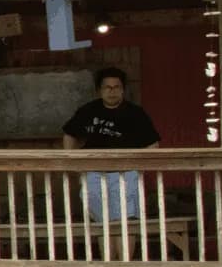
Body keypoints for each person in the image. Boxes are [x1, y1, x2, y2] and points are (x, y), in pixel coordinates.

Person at [60, 64, 162, 232]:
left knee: (127, 223)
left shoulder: (135, 113)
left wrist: (139, 169)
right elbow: (69, 134)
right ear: (99, 90)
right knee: (101, 224)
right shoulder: (88, 111)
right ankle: (108, 251)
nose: (112, 91)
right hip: (93, 173)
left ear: (123, 90)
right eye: (107, 87)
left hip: (126, 173)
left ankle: (124, 251)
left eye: (116, 87)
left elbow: (152, 144)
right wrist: (73, 161)